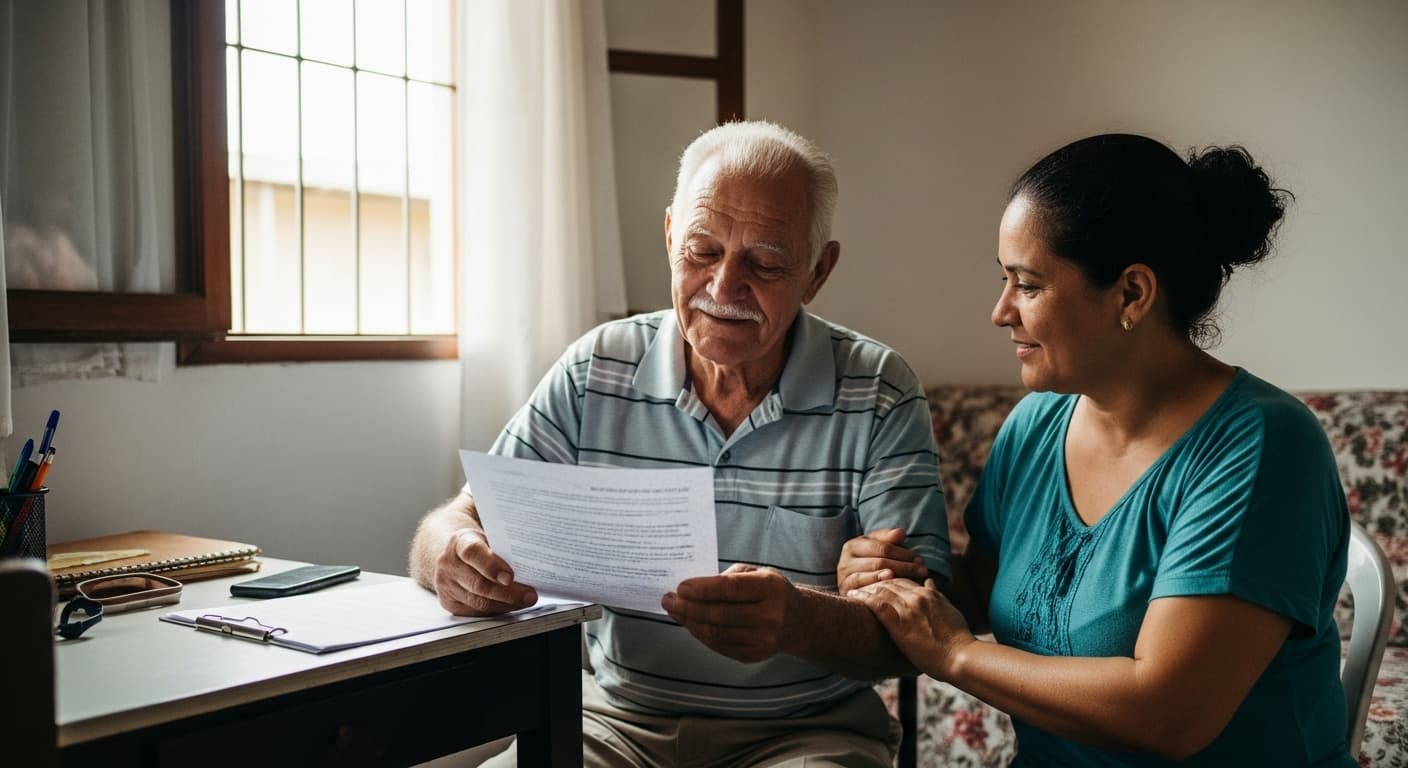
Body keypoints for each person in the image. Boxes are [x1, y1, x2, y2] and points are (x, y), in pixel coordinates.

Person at [410, 120, 949, 767]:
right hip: (614, 722)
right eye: (702, 250)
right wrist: (449, 556)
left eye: (765, 262)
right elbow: (458, 519)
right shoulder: (596, 369)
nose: (724, 288)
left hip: (808, 733)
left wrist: (799, 622)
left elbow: (924, 627)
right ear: (670, 237)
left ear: (816, 271)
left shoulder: (880, 389)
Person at [842, 133, 1356, 766]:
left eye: (1028, 285)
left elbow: (1168, 714)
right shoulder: (1037, 423)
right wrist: (903, 582)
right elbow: (986, 585)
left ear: (1132, 294)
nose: (1001, 311)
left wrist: (953, 653)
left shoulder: (1262, 448)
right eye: (1004, 280)